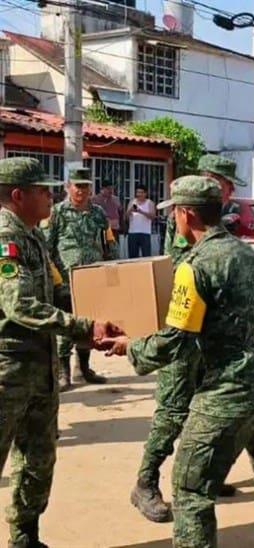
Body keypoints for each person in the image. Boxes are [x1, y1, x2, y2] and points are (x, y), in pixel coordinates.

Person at [101, 175, 254, 548]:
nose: (174, 217)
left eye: (175, 210)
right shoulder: (247, 253)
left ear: (186, 214)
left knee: (190, 487)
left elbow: (177, 337)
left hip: (230, 389)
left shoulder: (197, 265)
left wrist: (130, 347)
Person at [0, 157, 122, 548]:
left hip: (39, 368)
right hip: (8, 369)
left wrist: (103, 312)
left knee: (37, 460)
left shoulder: (33, 234)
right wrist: (85, 327)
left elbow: (55, 294)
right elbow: (20, 305)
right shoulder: (6, 239)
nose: (50, 196)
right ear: (18, 196)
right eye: (41, 190)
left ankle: (24, 537)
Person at [133, 154, 246, 524]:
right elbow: (188, 272)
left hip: (211, 336)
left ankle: (201, 477)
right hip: (183, 331)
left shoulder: (220, 224)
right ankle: (145, 483)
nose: (229, 194)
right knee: (172, 411)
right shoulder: (185, 223)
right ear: (210, 182)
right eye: (226, 186)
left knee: (206, 409)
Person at [43, 167, 118, 391]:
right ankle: (63, 373)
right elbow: (46, 246)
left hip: (93, 278)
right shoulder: (56, 213)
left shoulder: (98, 213)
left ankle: (83, 368)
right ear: (68, 187)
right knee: (66, 324)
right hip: (65, 279)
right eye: (77, 186)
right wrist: (55, 278)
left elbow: (109, 242)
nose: (81, 191)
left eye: (85, 186)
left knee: (89, 323)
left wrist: (113, 269)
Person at [126, 186, 155, 258]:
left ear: (145, 193)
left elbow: (152, 216)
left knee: (146, 256)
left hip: (145, 233)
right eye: (138, 192)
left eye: (141, 192)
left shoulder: (150, 203)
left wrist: (141, 211)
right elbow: (126, 217)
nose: (139, 194)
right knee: (132, 256)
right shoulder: (132, 202)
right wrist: (130, 210)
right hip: (133, 233)